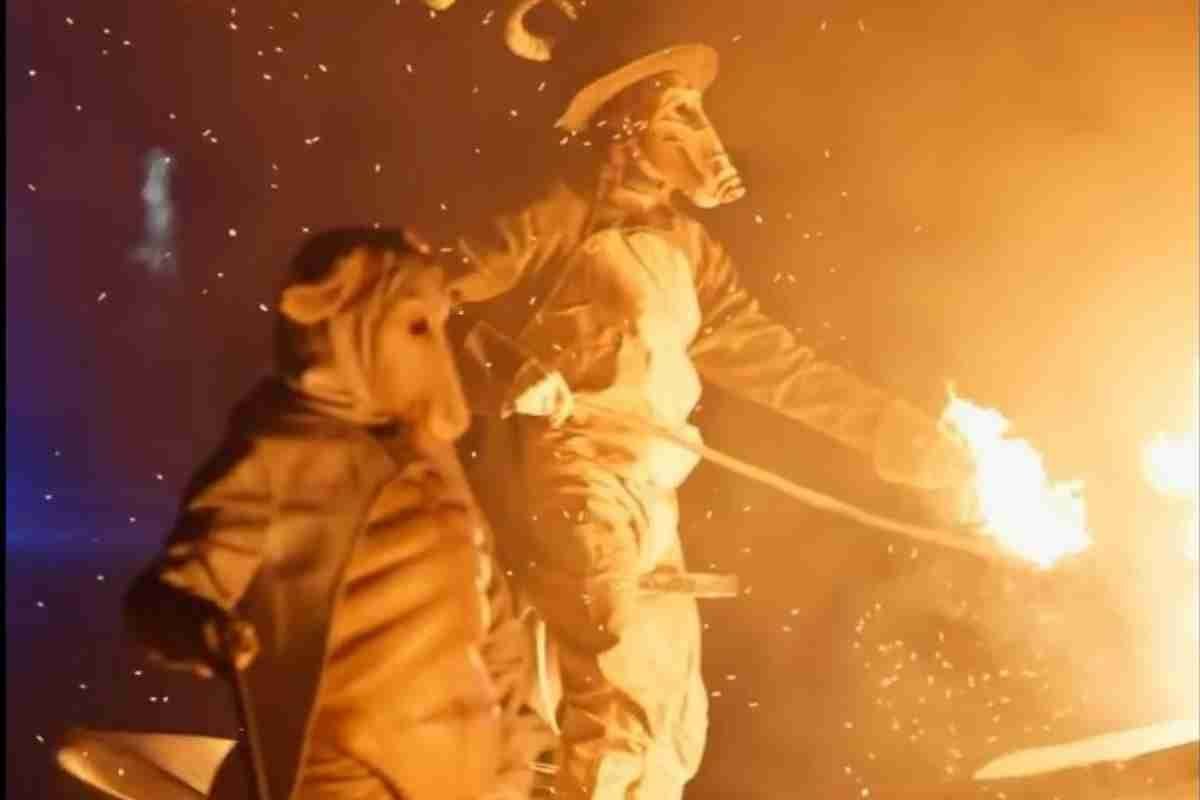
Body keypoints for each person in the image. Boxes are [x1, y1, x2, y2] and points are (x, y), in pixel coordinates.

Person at [449, 43, 979, 800]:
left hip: (652, 492)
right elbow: (420, 300)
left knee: (670, 715)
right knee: (615, 677)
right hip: (570, 473)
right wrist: (505, 369)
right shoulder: (555, 218)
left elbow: (782, 367)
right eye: (680, 115)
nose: (703, 134)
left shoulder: (690, 250)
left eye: (701, 114)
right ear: (626, 128)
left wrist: (895, 435)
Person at [121, 228, 550, 800]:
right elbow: (164, 595)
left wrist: (517, 749)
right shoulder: (282, 453)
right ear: (341, 322)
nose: (436, 355)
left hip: (468, 774)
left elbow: (489, 612)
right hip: (347, 776)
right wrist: (199, 626)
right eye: (415, 327)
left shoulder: (427, 454)